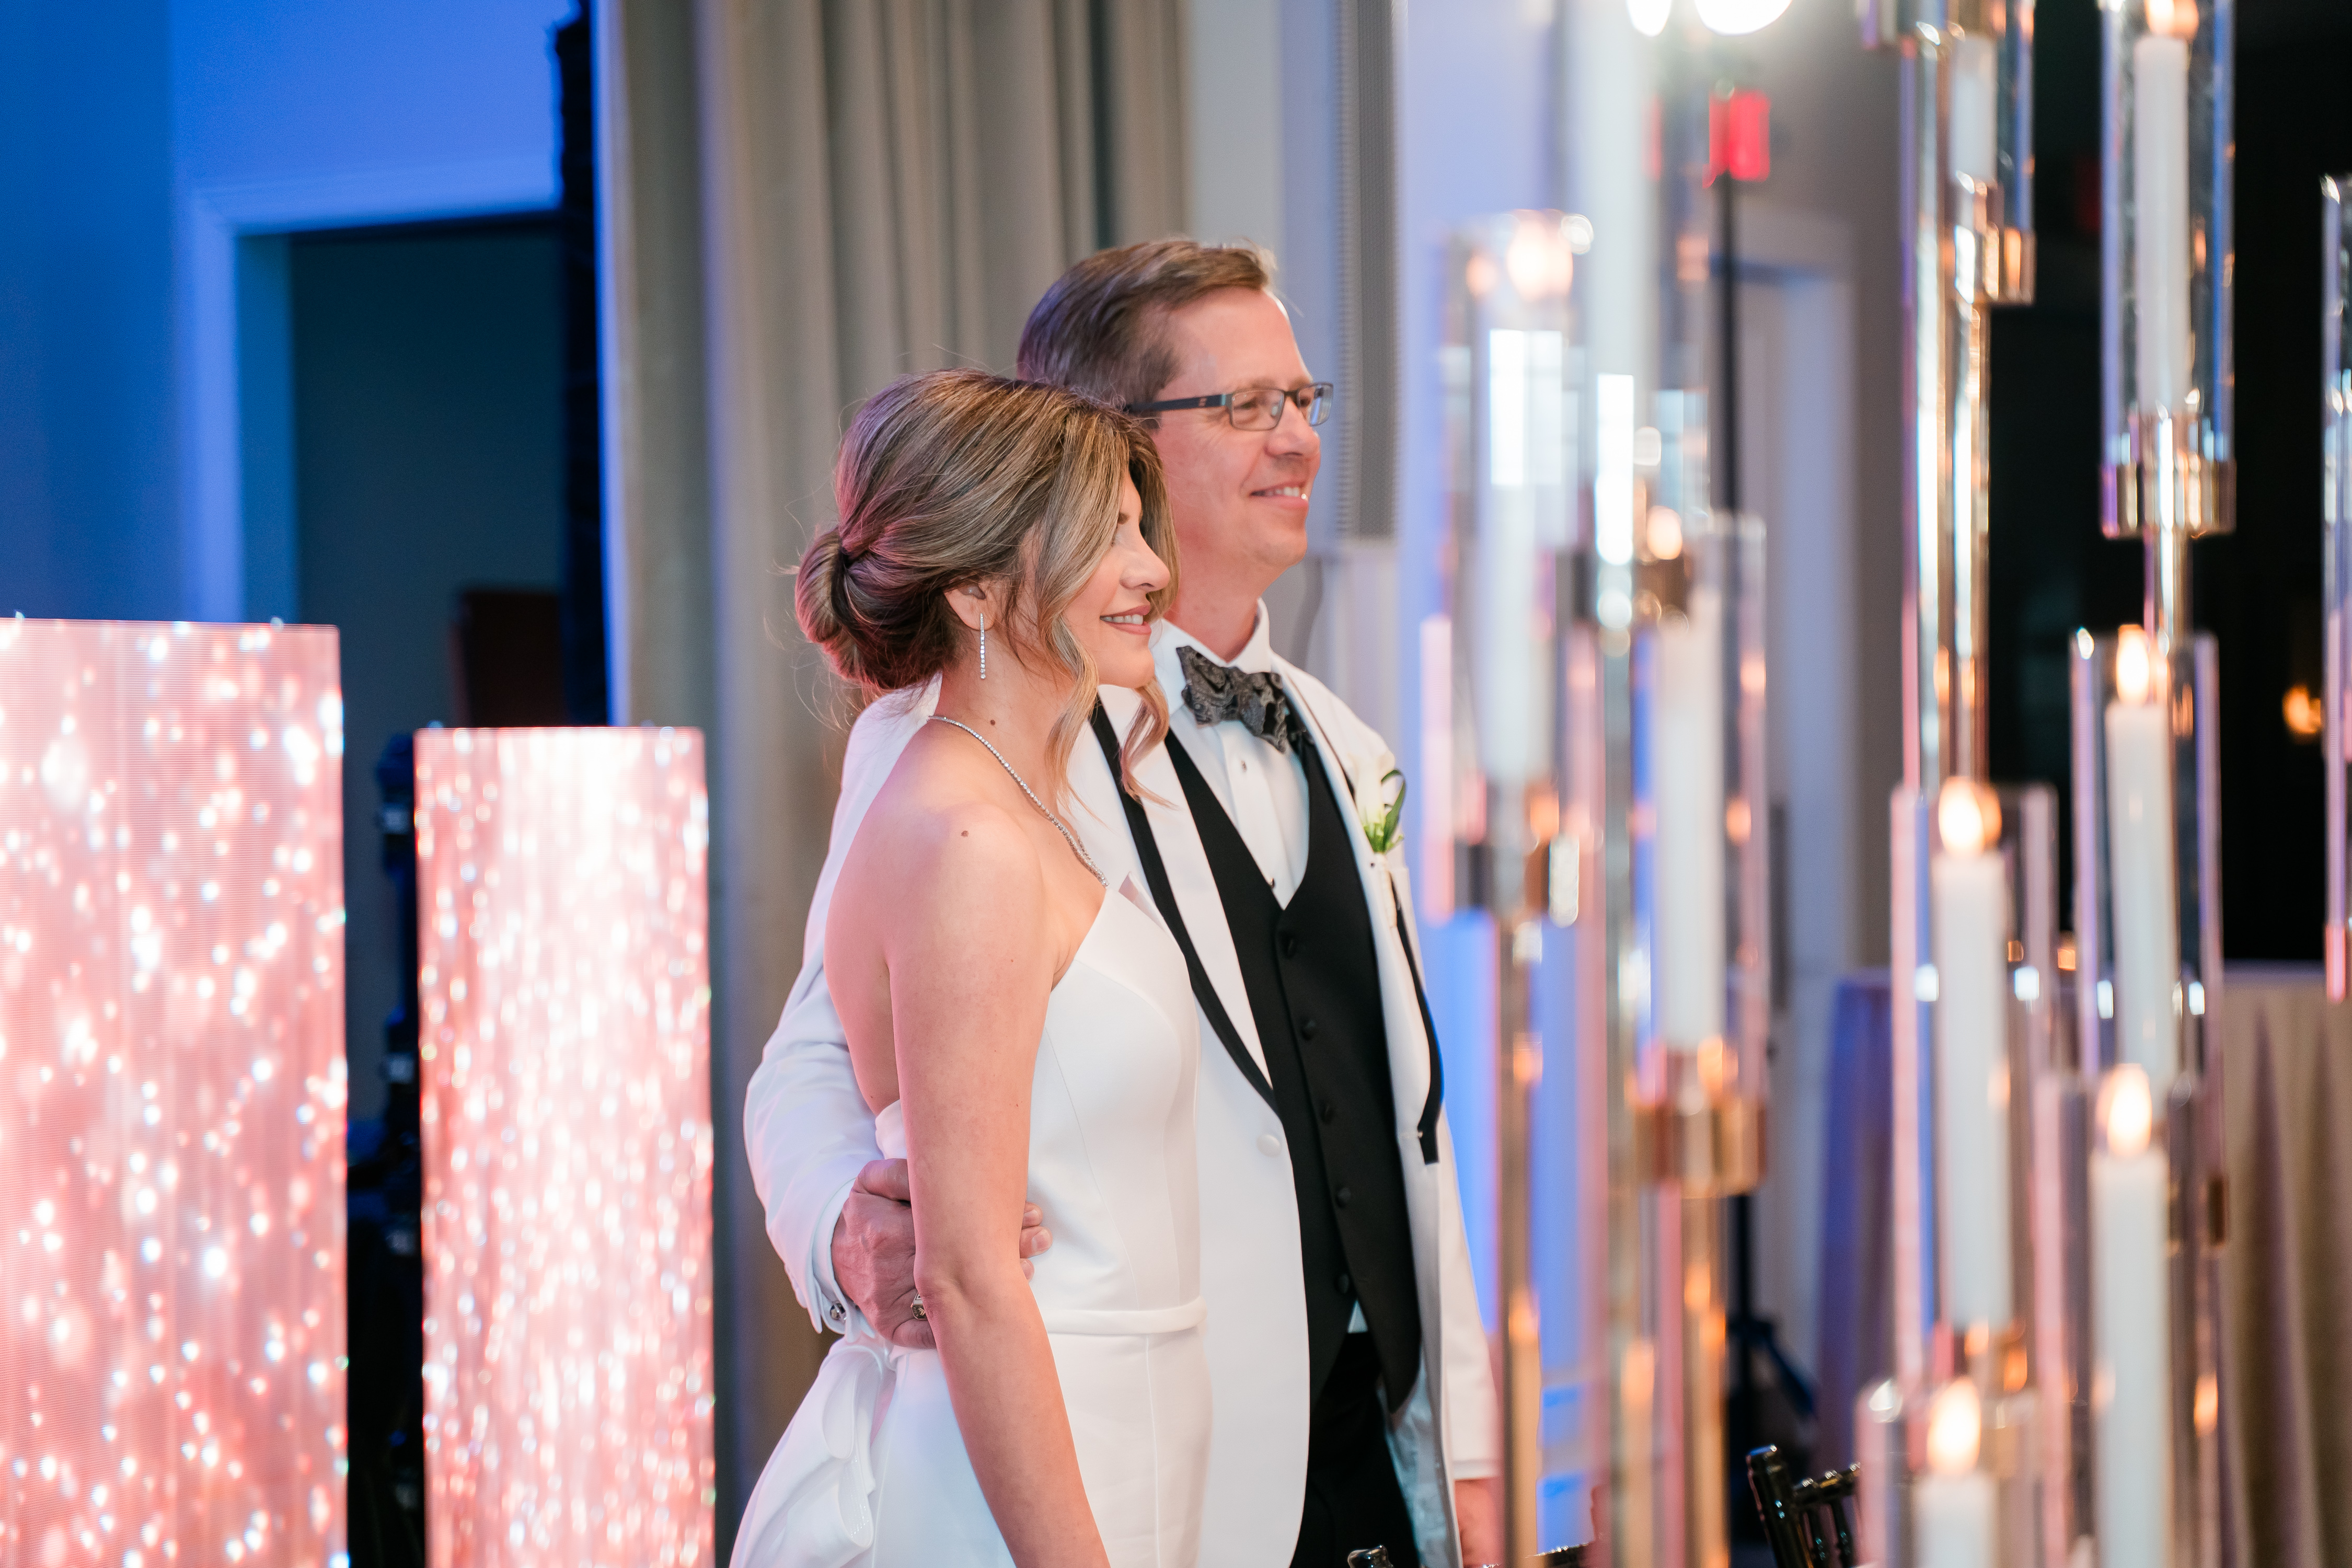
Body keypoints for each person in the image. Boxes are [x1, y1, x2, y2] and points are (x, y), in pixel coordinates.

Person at [748, 240, 1502, 1567]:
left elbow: (1409, 1136)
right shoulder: (964, 746)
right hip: (1144, 1455)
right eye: (1246, 405)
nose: (1297, 439)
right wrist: (840, 1233)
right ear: (1111, 436)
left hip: (1372, 1456)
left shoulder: (1345, 742)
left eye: (1303, 400)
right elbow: (816, 1056)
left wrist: (1473, 1453)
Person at [731, 369, 1208, 1567]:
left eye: (1140, 528)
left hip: (1113, 1427)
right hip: (1024, 1462)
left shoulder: (1007, 805)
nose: (1153, 569)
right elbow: (970, 1278)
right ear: (980, 589)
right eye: (1108, 534)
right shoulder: (963, 839)